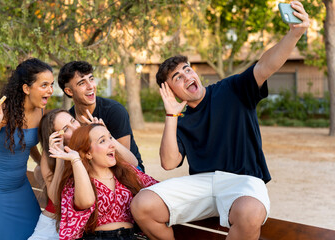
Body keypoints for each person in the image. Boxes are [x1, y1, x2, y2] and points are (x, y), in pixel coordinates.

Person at [130, 2, 310, 240]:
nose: (187, 76)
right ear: (170, 91)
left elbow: (266, 65)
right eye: (177, 77)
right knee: (142, 204)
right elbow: (169, 163)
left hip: (244, 180)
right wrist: (171, 115)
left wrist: (294, 34)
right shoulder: (179, 118)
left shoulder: (232, 89)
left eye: (187, 70)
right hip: (203, 183)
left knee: (250, 212)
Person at [29, 109, 139, 240]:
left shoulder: (91, 145)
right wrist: (60, 158)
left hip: (79, 227)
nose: (75, 127)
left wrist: (104, 134)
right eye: (66, 129)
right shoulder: (49, 158)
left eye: (73, 121)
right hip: (52, 224)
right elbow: (57, 200)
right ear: (58, 137)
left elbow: (133, 163)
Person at [0, 58, 54, 239]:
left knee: (33, 234)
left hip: (19, 186)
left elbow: (26, 141)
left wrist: (38, 160)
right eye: (44, 85)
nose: (50, 90)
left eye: (51, 85)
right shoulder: (1, 110)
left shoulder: (40, 109)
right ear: (26, 88)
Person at [48, 123, 158, 240]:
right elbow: (86, 201)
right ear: (88, 153)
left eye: (110, 138)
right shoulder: (78, 182)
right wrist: (76, 160)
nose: (112, 145)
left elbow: (157, 188)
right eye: (102, 141)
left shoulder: (126, 171)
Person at [57, 61, 145, 172]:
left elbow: (123, 160)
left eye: (91, 79)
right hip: (93, 171)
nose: (91, 86)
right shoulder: (70, 119)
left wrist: (104, 134)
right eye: (82, 83)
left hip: (129, 170)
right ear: (69, 91)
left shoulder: (114, 111)